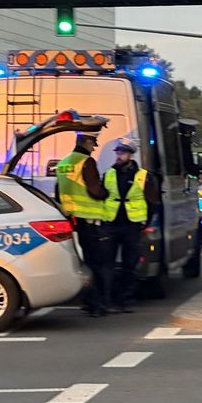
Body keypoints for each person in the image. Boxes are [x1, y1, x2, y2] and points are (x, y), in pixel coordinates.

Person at [55, 131, 111, 317]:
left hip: (72, 219)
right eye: (93, 143)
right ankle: (97, 304)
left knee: (83, 263)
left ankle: (87, 301)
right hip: (89, 220)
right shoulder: (86, 162)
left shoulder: (63, 164)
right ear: (86, 142)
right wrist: (106, 193)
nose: (94, 147)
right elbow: (94, 189)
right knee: (96, 264)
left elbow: (58, 192)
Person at [103, 139, 159, 313]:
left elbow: (152, 201)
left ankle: (125, 300)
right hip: (111, 223)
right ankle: (109, 299)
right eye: (118, 153)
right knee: (108, 264)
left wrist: (146, 223)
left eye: (123, 153)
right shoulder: (109, 174)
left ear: (131, 155)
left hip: (132, 226)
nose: (119, 156)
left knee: (129, 264)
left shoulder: (143, 176)